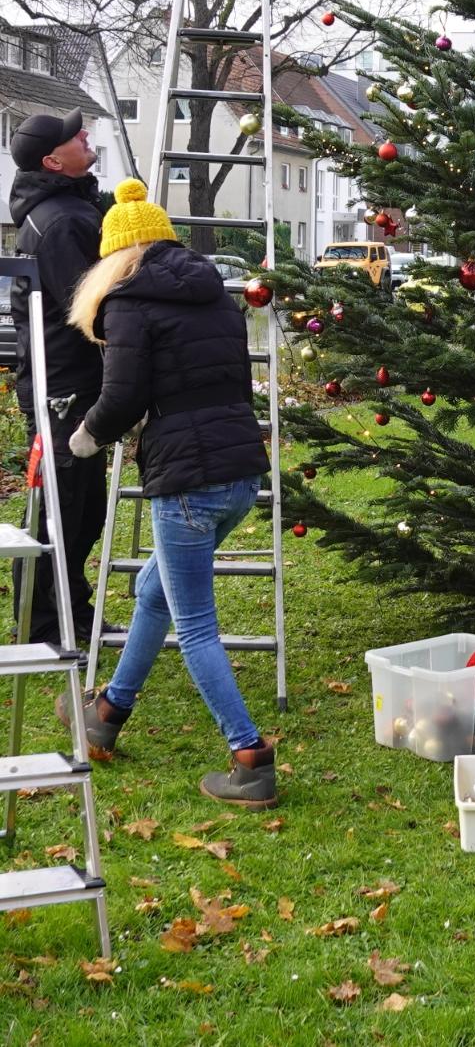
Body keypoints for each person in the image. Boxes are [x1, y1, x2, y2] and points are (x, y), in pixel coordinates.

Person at [58, 179, 275, 808]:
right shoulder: (213, 293)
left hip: (187, 481)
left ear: (117, 257)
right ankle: (108, 713)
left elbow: (123, 396)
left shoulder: (128, 302)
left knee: (195, 624)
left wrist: (84, 439)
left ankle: (250, 756)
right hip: (238, 471)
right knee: (154, 589)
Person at [7, 109, 108, 646]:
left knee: (81, 506)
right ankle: (46, 624)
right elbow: (87, 304)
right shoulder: (63, 221)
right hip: (63, 385)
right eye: (74, 136)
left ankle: (67, 612)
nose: (84, 135)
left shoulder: (69, 207)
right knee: (65, 508)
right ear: (52, 160)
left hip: (69, 379)